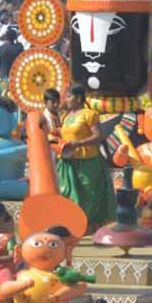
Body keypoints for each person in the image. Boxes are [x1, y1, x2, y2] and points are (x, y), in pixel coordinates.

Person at [57, 83, 116, 234]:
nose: (66, 99)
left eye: (68, 96)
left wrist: (78, 144)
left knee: (89, 194)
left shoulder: (89, 114)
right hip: (68, 162)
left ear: (78, 98)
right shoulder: (65, 116)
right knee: (68, 193)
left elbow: (98, 136)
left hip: (88, 161)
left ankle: (87, 225)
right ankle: (73, 224)